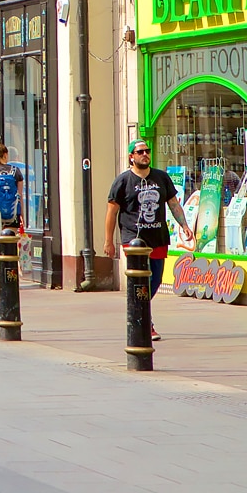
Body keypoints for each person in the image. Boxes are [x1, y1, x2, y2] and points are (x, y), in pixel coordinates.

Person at [103, 140, 191, 342]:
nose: (145, 154)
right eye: (140, 152)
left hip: (157, 236)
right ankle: (144, 319)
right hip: (133, 239)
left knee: (156, 278)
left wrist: (184, 224)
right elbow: (111, 212)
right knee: (140, 279)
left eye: (147, 151)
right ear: (131, 156)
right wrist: (108, 240)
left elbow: (173, 204)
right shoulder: (123, 181)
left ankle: (137, 306)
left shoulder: (161, 177)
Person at [0, 143, 25, 230]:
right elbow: (20, 195)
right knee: (12, 240)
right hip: (13, 215)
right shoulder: (15, 171)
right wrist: (22, 215)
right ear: (5, 155)